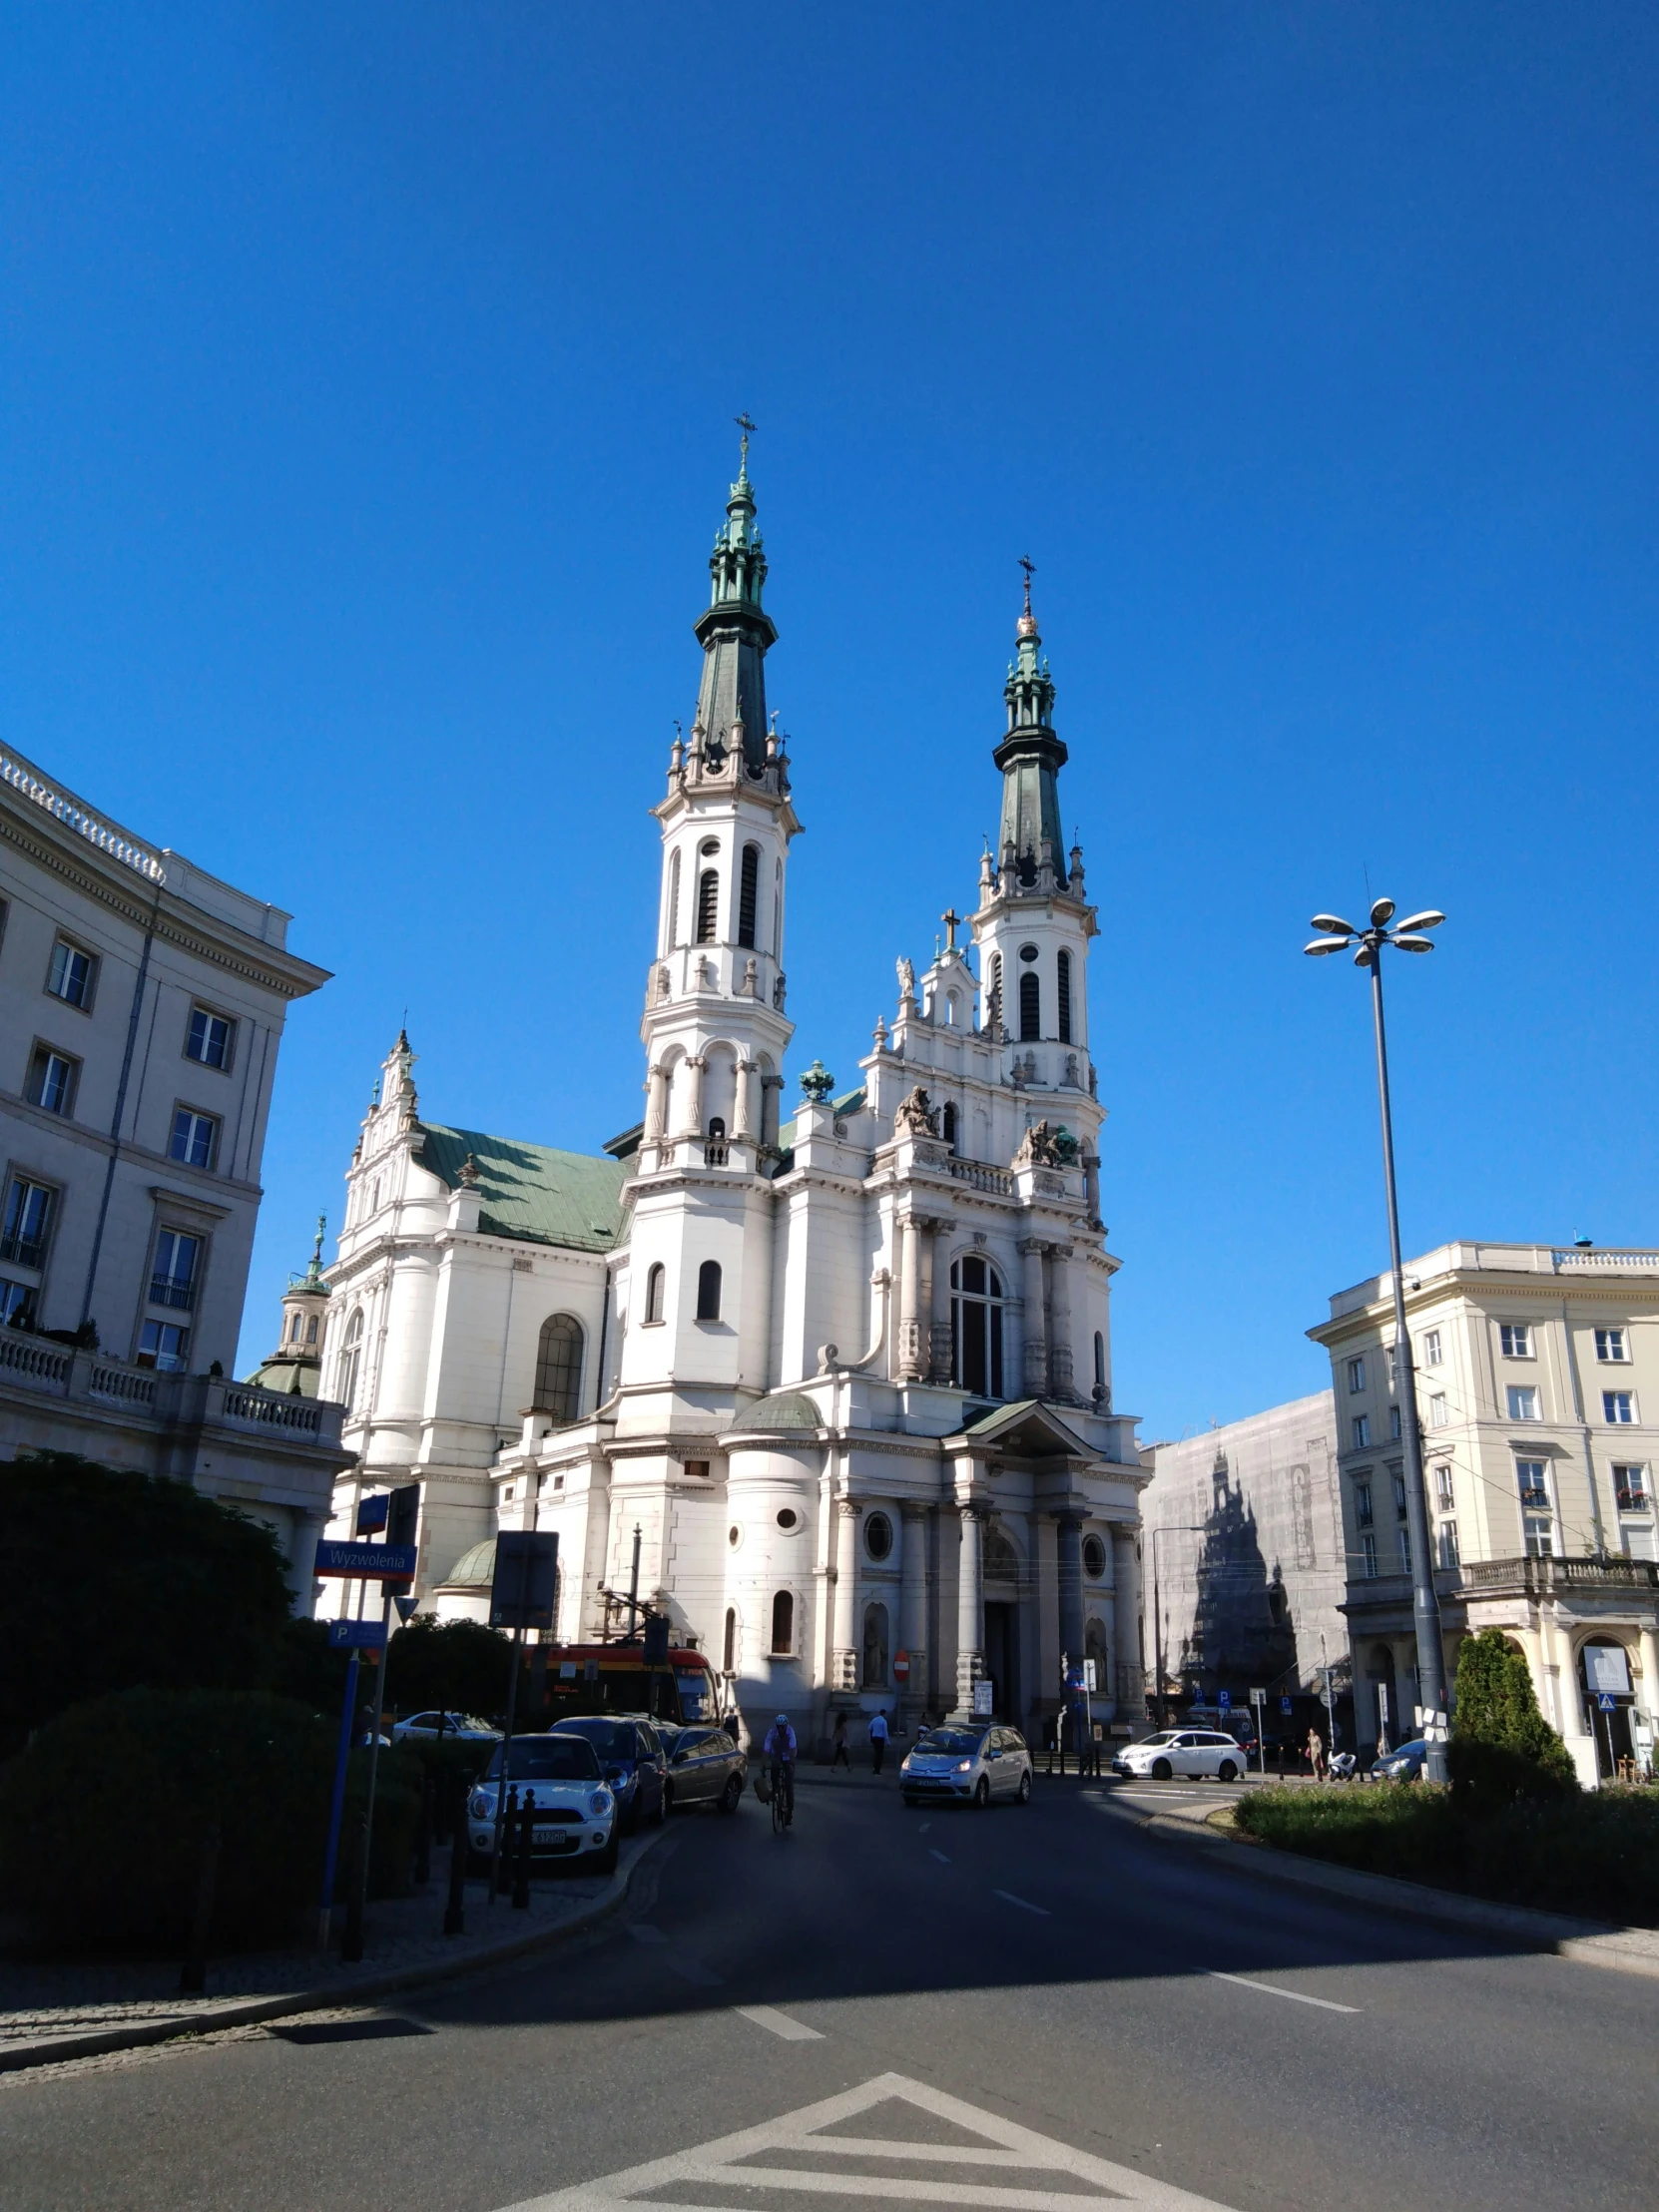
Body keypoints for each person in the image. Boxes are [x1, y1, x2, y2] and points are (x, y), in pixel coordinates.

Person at [763, 1712, 797, 1824]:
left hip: (788, 1756)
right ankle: (775, 1789)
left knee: (788, 1784)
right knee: (774, 1771)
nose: (781, 1729)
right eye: (779, 1727)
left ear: (786, 1726)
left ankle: (790, 1811)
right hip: (776, 1755)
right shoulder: (772, 1733)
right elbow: (766, 1749)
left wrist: (791, 1763)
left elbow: (792, 1749)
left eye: (782, 1727)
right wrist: (763, 1763)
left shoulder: (790, 1732)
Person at [868, 1708, 890, 1775]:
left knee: (876, 1753)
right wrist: (888, 1742)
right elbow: (885, 1732)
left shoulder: (874, 1719)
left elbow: (869, 1728)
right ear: (884, 1714)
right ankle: (877, 1770)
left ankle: (874, 1768)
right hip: (880, 1739)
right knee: (880, 1755)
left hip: (874, 1738)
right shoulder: (884, 1721)